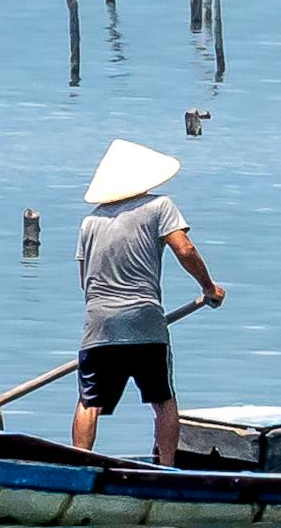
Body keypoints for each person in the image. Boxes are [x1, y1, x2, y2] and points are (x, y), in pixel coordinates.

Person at [65, 138, 222, 463]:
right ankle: (166, 468)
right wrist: (209, 287)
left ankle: (78, 466)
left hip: (99, 325)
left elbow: (85, 281)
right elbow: (185, 249)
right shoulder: (159, 206)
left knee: (88, 401)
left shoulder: (89, 222)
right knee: (162, 399)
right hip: (144, 323)